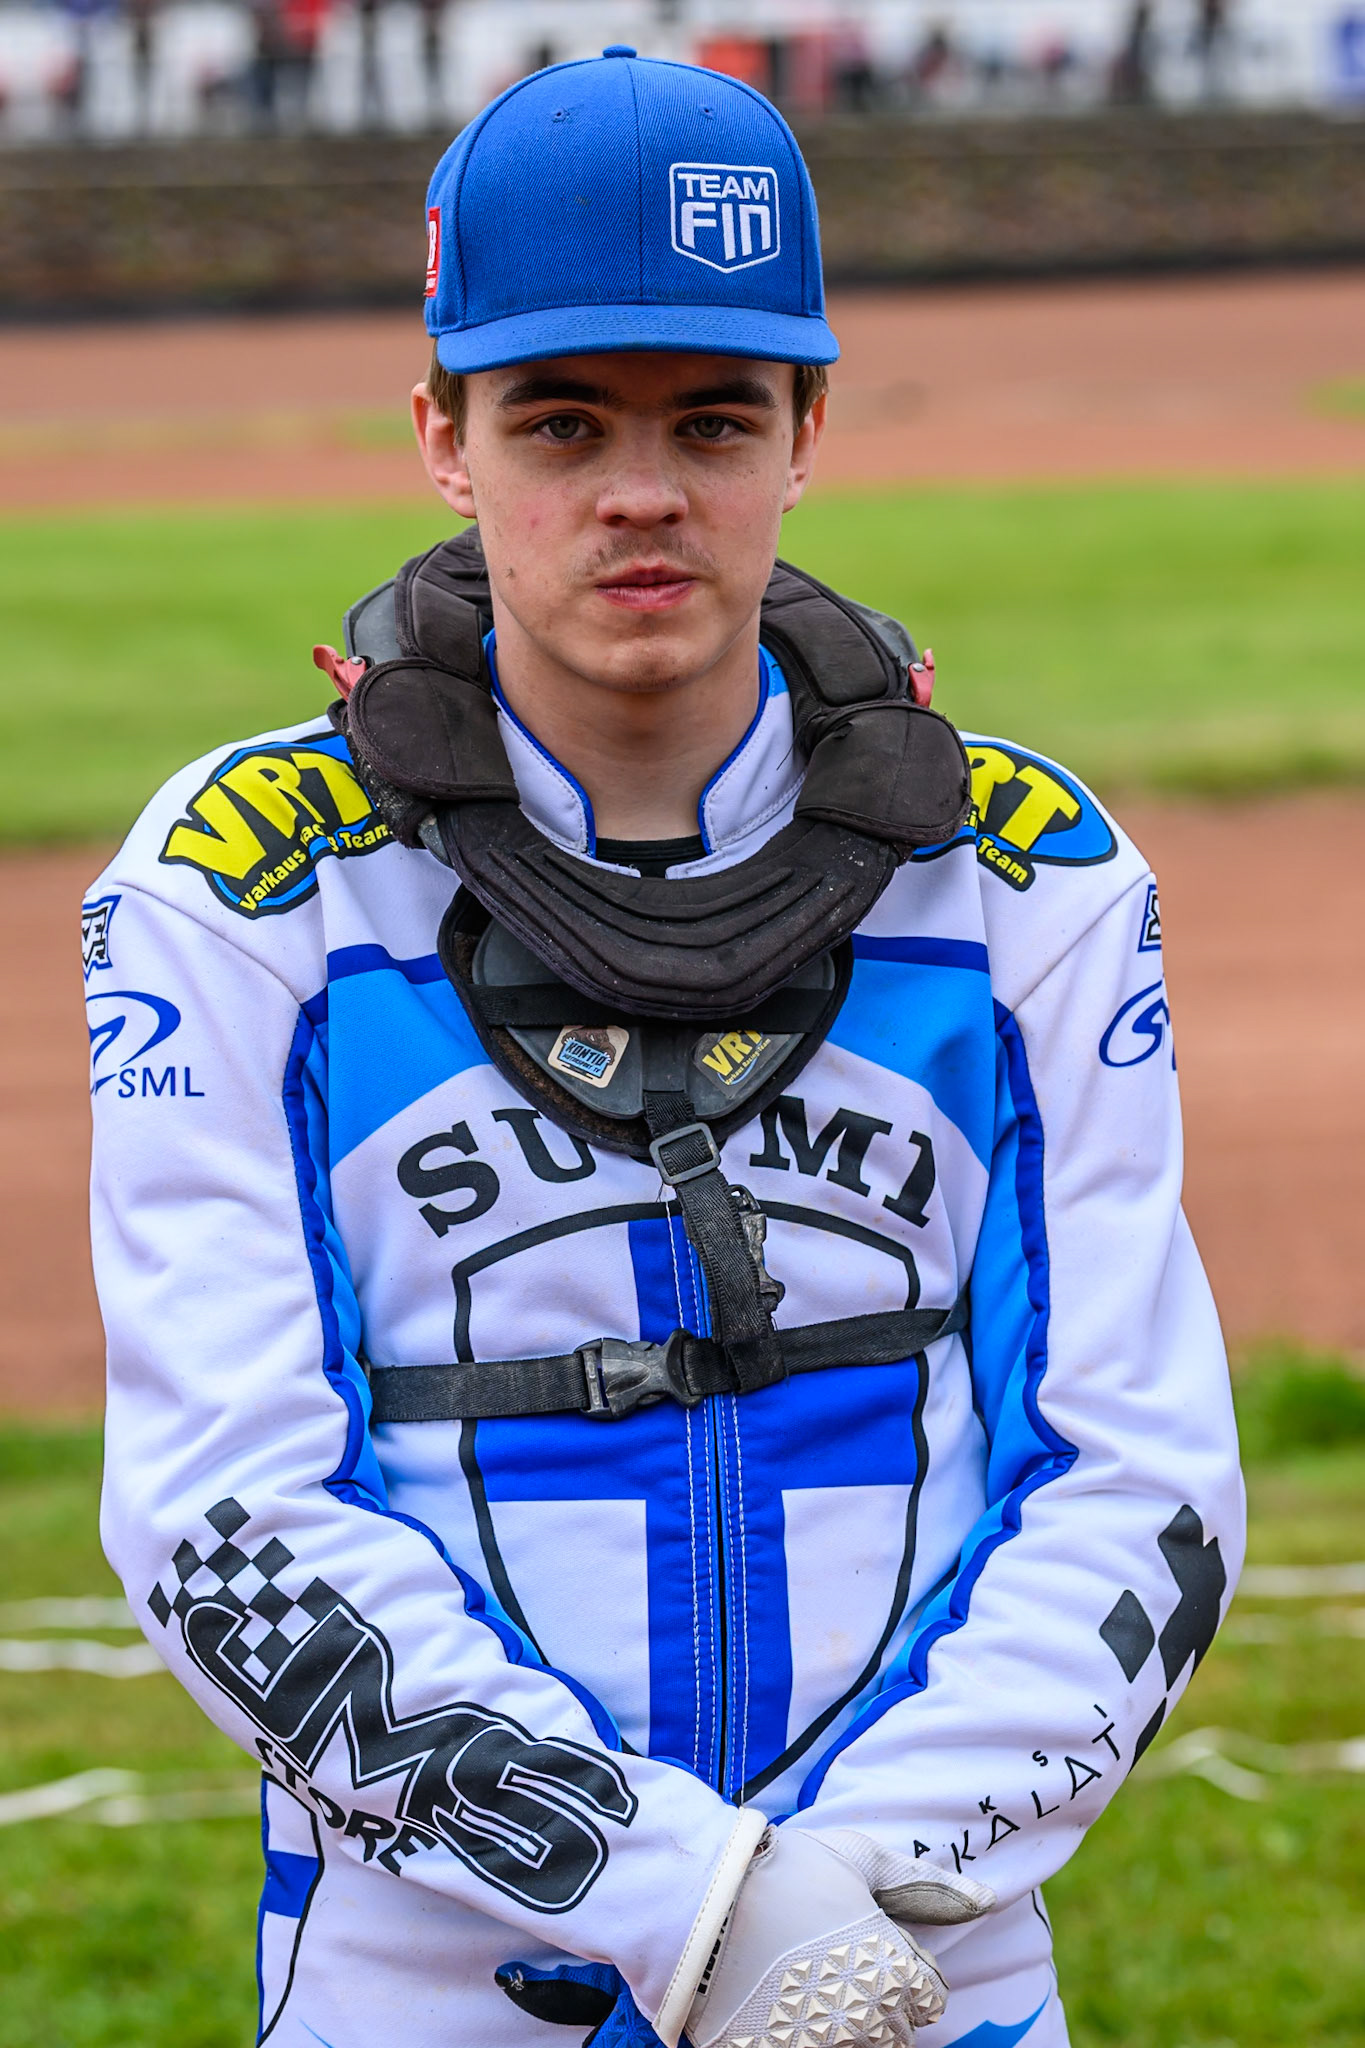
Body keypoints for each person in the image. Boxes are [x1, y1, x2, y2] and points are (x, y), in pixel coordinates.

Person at [88, 47, 1243, 2048]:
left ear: (806, 432)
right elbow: (223, 1512)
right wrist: (692, 1904)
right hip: (433, 1985)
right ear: (444, 441)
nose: (642, 491)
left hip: (922, 1963)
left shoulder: (1029, 880)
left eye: (713, 418)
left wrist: (843, 1901)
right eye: (561, 420)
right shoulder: (243, 891)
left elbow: (1139, 1476)